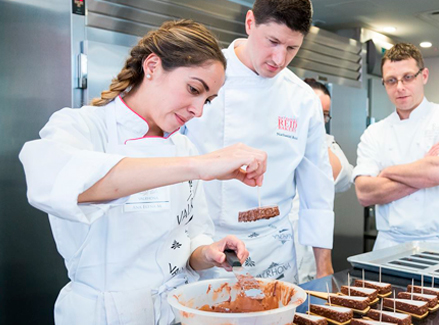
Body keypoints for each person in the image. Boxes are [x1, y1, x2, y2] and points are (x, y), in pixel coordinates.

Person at [19, 20, 266, 324]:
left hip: (175, 311)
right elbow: (58, 184)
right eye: (193, 89)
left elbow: (188, 238)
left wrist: (207, 252)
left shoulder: (182, 148)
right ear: (152, 66)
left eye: (207, 100)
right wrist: (201, 166)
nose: (198, 110)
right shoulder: (83, 127)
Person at [183, 0, 335, 284]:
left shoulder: (302, 99)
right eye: (273, 41)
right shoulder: (201, 79)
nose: (279, 59)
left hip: (275, 249)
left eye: (292, 48)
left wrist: (323, 268)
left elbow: (318, 189)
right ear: (250, 23)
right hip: (208, 246)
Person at [353, 43, 439, 251]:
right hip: (388, 244)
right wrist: (424, 170)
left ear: (423, 76)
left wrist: (387, 172)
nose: (400, 87)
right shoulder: (374, 132)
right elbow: (364, 193)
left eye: (408, 77)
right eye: (391, 81)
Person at [290, 78, 353, 283]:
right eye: (313, 110)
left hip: (310, 251)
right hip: (274, 249)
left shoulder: (326, 142)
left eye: (324, 114)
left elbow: (341, 173)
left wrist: (310, 136)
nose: (318, 118)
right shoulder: (280, 139)